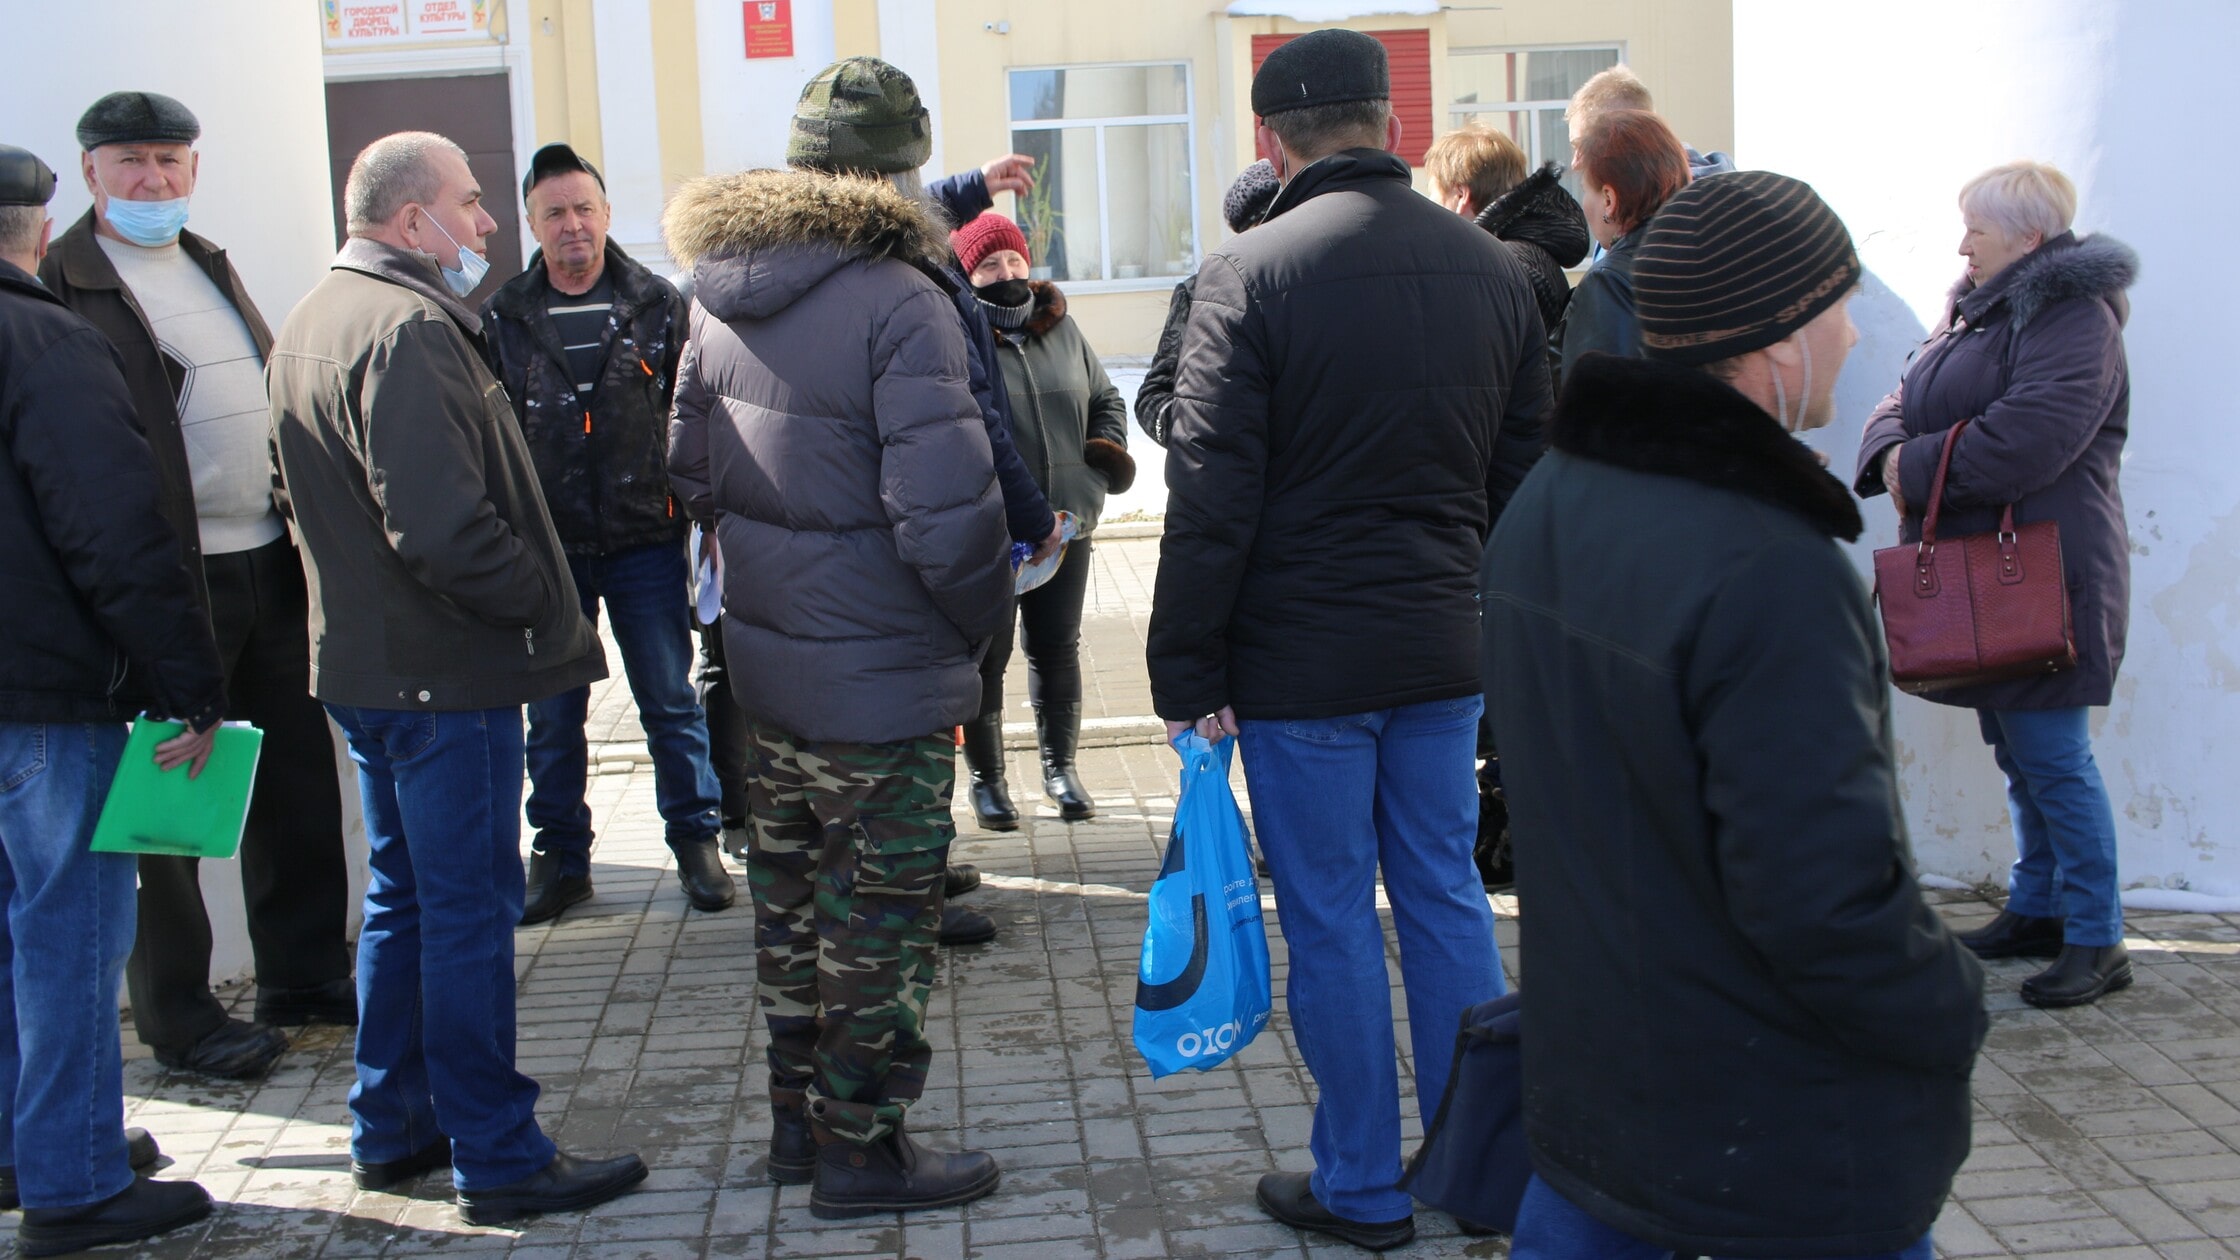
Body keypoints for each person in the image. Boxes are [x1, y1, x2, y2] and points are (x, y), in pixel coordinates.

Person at [1484, 170, 1987, 1260]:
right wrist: (1949, 1002)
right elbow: (1824, 899)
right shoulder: (1769, 566)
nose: (1855, 336)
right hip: (1770, 1130)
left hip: (1597, 1093)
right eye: (1838, 307)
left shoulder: (1550, 499)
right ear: (1776, 338)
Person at [1147, 29, 1551, 1251]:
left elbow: (1210, 493)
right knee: (1444, 898)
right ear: (1389, 122)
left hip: (1299, 665)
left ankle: (1362, 1189)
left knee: (1328, 916)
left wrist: (1184, 669)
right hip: (1440, 650)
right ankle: (1480, 1176)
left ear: (1271, 143)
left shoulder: (1247, 272)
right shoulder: (1495, 269)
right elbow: (1523, 482)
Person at [267, 131, 645, 1223]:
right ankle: (497, 1152)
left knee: (404, 900)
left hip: (372, 670)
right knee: (469, 912)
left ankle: (392, 1128)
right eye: (470, 202)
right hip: (445, 675)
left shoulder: (313, 318)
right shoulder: (408, 329)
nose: (486, 224)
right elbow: (442, 530)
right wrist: (544, 599)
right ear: (409, 220)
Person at [663, 159, 1009, 1216]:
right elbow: (946, 516)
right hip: (884, 679)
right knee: (879, 923)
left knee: (791, 910)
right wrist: (981, 627)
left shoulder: (715, 296)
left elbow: (687, 472)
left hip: (771, 675)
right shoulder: (902, 298)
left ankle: (794, 1128)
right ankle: (859, 1150)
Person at [39, 90, 353, 1080]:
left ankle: (304, 975)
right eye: (130, 161)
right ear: (90, 172)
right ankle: (179, 1017)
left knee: (293, 774)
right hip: (164, 579)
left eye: (169, 160)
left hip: (267, 555)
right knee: (169, 792)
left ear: (194, 168)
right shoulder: (65, 281)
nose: (153, 179)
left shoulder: (209, 261)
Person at [782, 55, 1059, 948]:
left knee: (823, 810)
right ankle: (905, 894)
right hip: (890, 588)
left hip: (784, 602)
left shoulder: (734, 279)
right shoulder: (915, 293)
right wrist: (1006, 561)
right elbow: (965, 444)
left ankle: (908, 872)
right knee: (893, 771)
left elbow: (691, 462)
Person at [0, 140, 221, 1259]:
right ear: (41, 226)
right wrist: (189, 684)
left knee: (15, 935)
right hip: (45, 697)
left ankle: (27, 1144)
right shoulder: (45, 340)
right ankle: (75, 1182)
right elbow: (118, 534)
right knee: (71, 936)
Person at [1854, 161, 2138, 1008]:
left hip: (2049, 573)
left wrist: (1912, 465)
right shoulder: (1973, 308)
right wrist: (1892, 455)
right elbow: (1899, 399)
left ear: (2030, 238)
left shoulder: (2073, 316)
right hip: (1986, 575)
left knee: (2054, 757)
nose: (1961, 245)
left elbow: (2027, 440)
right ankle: (2038, 907)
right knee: (2018, 753)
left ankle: (2098, 936)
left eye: (1975, 230)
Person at [480, 142, 733, 925]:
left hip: (645, 542)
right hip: (548, 552)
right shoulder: (504, 318)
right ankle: (560, 858)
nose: (573, 226)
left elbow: (697, 415)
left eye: (584, 209)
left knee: (668, 701)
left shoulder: (657, 304)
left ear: (607, 213)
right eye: (555, 213)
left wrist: (704, 518)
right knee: (554, 718)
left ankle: (695, 840)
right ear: (531, 223)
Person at [951, 213, 1134, 828]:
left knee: (1056, 646)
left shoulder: (1063, 328)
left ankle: (1061, 770)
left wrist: (1098, 467)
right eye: (989, 264)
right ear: (968, 276)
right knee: (989, 656)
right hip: (996, 532)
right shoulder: (960, 335)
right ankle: (988, 782)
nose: (1006, 272)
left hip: (1066, 523)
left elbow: (1106, 399)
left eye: (1013, 259)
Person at [1134, 161, 1280, 448]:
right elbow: (1153, 397)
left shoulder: (1318, 280)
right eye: (1261, 226)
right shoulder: (1200, 290)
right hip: (1228, 469)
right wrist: (1204, 435)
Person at [1555, 110, 1690, 384]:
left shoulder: (1609, 283)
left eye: (1585, 189)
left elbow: (1599, 402)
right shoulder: (1703, 256)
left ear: (1609, 200)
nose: (1583, 203)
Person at [1424, 122, 1590, 341]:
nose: (1430, 205)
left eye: (1434, 195)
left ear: (1461, 195)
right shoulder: (1525, 249)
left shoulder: (1497, 266)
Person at [1564, 64, 1733, 181]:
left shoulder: (1667, 208)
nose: (1576, 163)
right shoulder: (1726, 190)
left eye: (1584, 145)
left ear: (1625, 134)